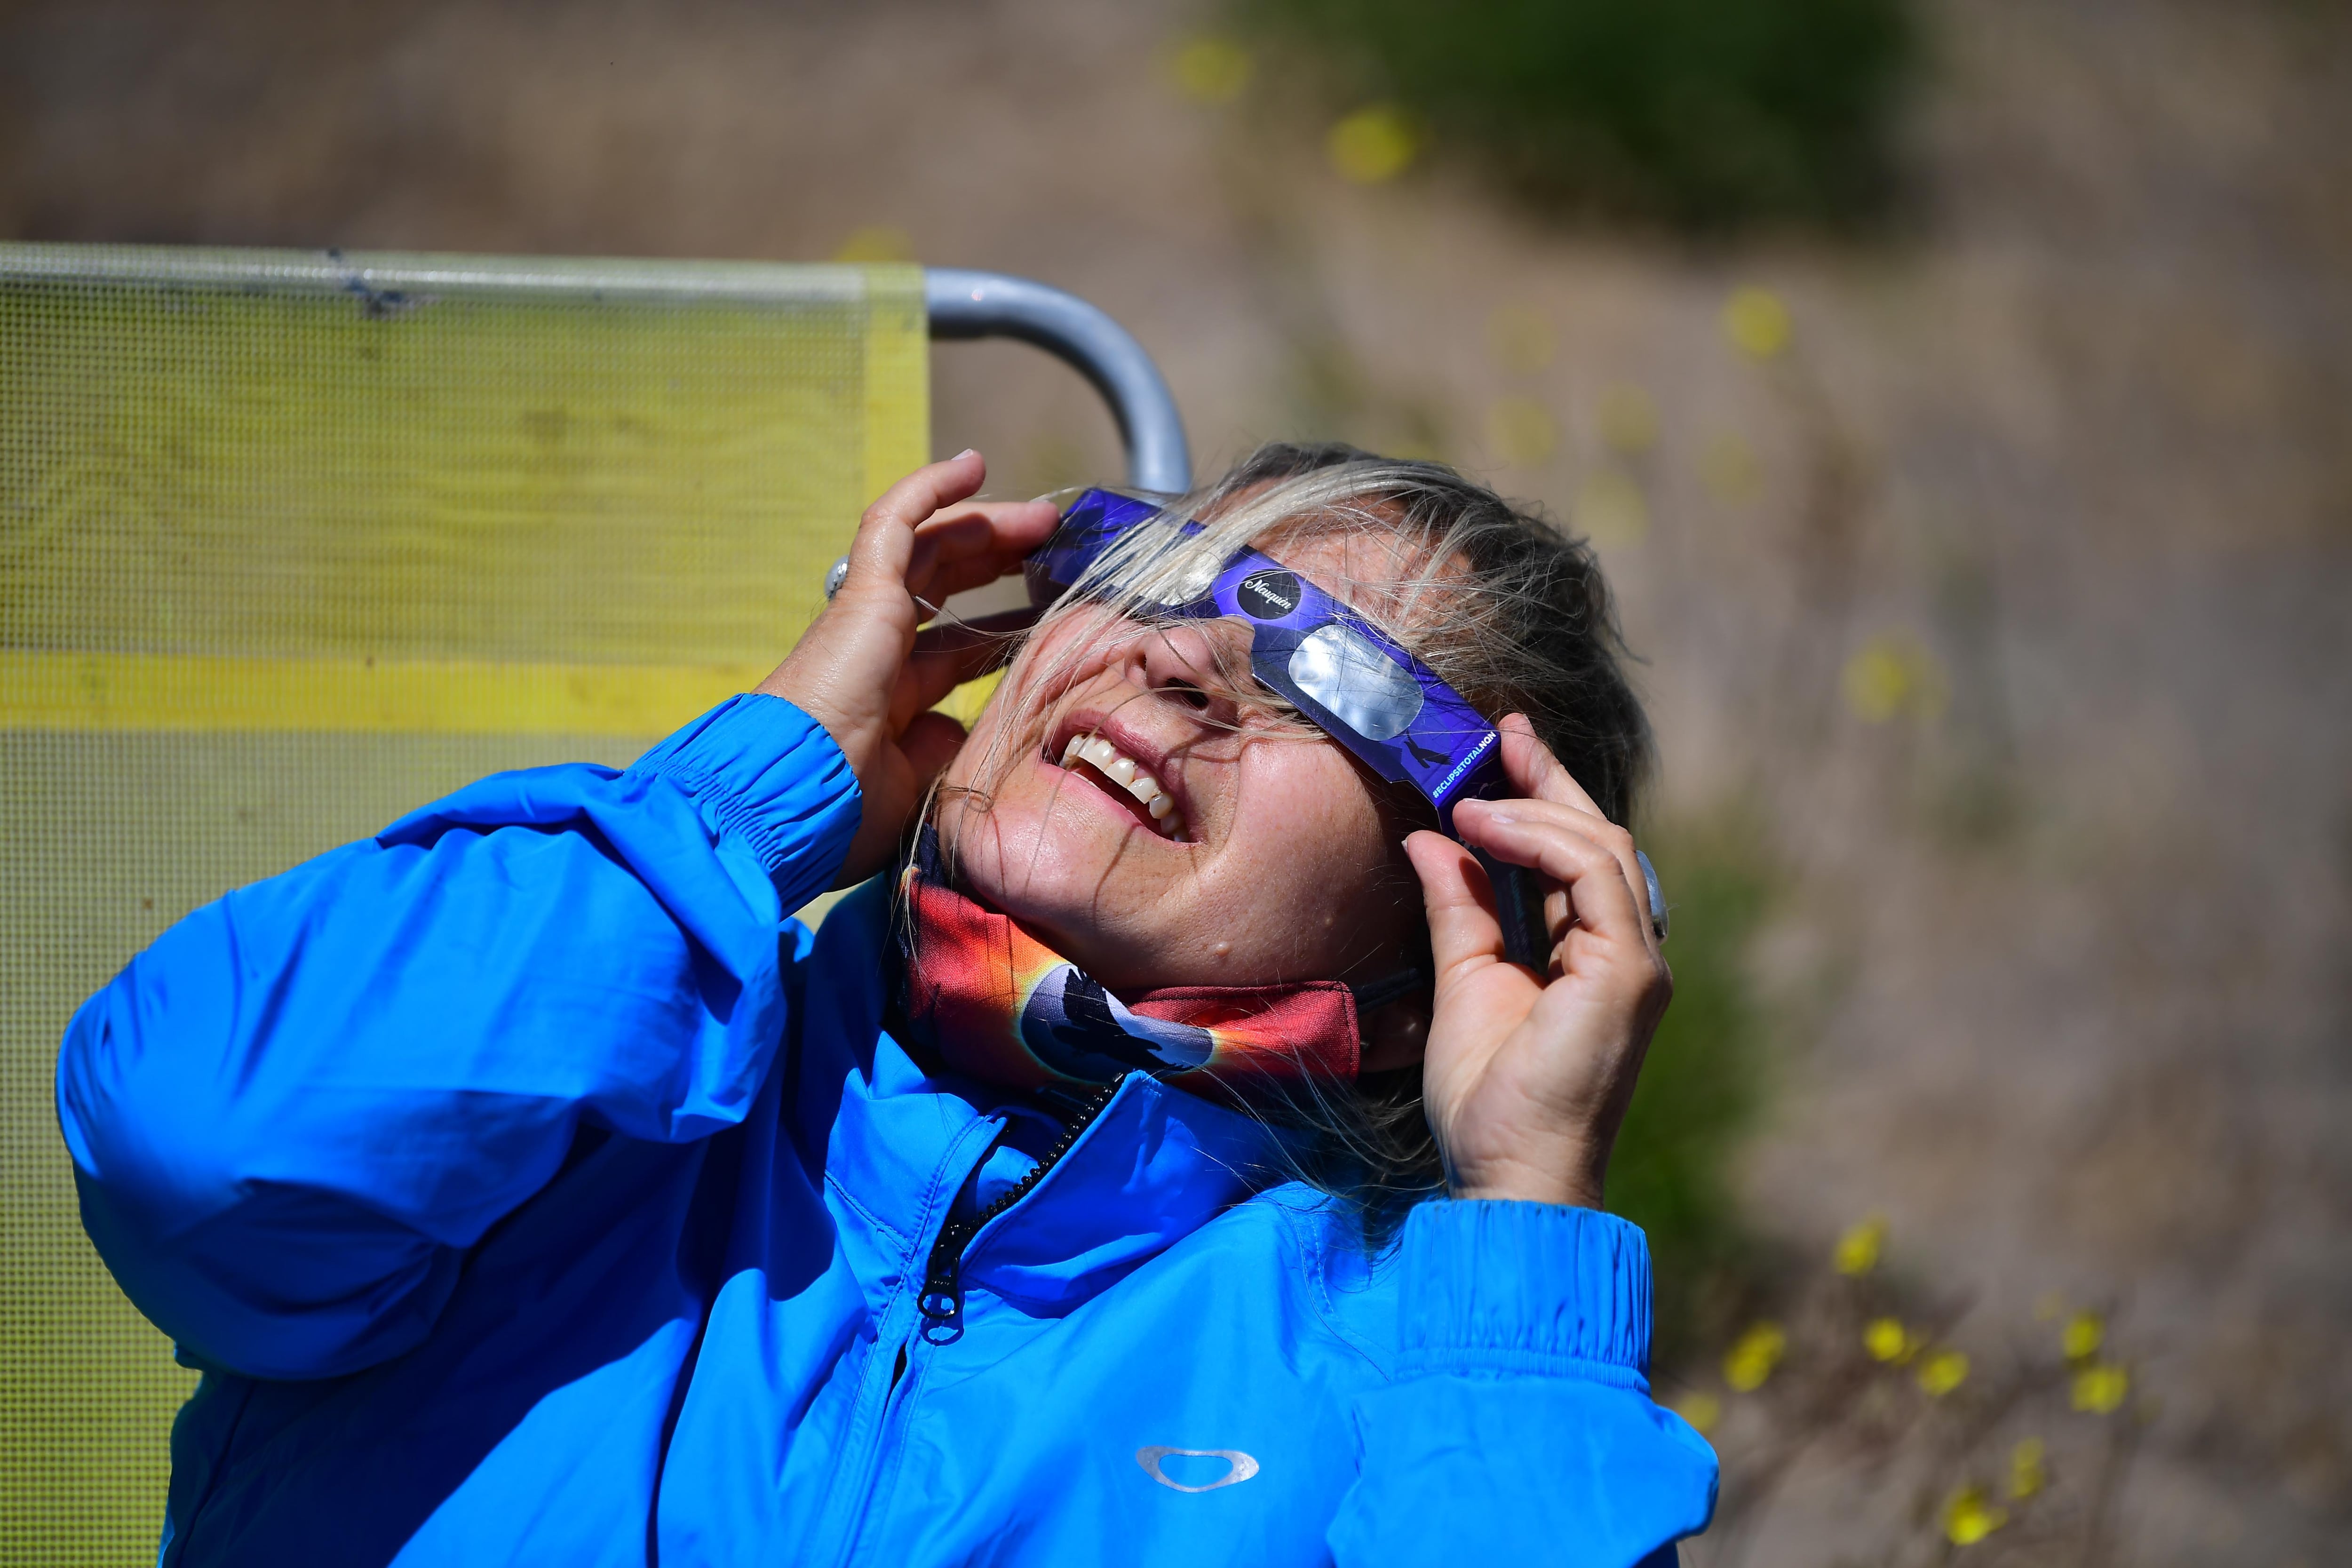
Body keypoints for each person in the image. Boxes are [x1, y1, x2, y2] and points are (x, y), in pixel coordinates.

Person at [58, 443, 1717, 1566]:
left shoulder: (1402, 1384)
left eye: (1337, 682)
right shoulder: (574, 1088)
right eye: (1153, 574)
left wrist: (1522, 1217)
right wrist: (733, 810)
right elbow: (199, 1150)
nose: (1186, 662)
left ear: (1447, 933)